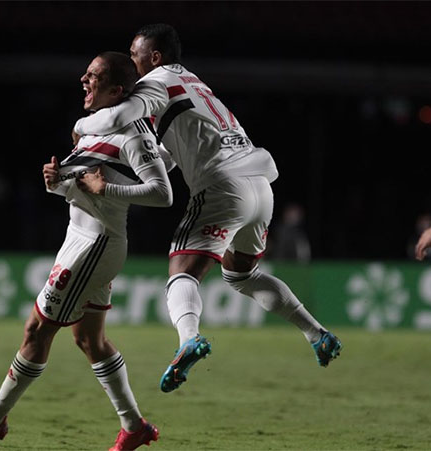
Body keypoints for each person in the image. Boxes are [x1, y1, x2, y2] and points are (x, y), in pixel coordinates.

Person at [74, 24, 342, 393]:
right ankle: (317, 333)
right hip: (260, 186)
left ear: (155, 57)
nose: (132, 64)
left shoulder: (156, 81)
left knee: (181, 273)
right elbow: (174, 152)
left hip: (223, 186)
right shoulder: (195, 83)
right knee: (241, 275)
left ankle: (189, 339)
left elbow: (118, 117)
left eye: (135, 56)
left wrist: (81, 126)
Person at [0, 51, 171, 450]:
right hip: (81, 239)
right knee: (90, 341)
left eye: (93, 76)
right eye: (86, 73)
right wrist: (57, 181)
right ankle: (134, 426)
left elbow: (162, 193)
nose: (84, 79)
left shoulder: (133, 133)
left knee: (37, 329)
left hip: (94, 246)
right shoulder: (96, 129)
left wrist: (107, 188)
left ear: (117, 90)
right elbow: (81, 189)